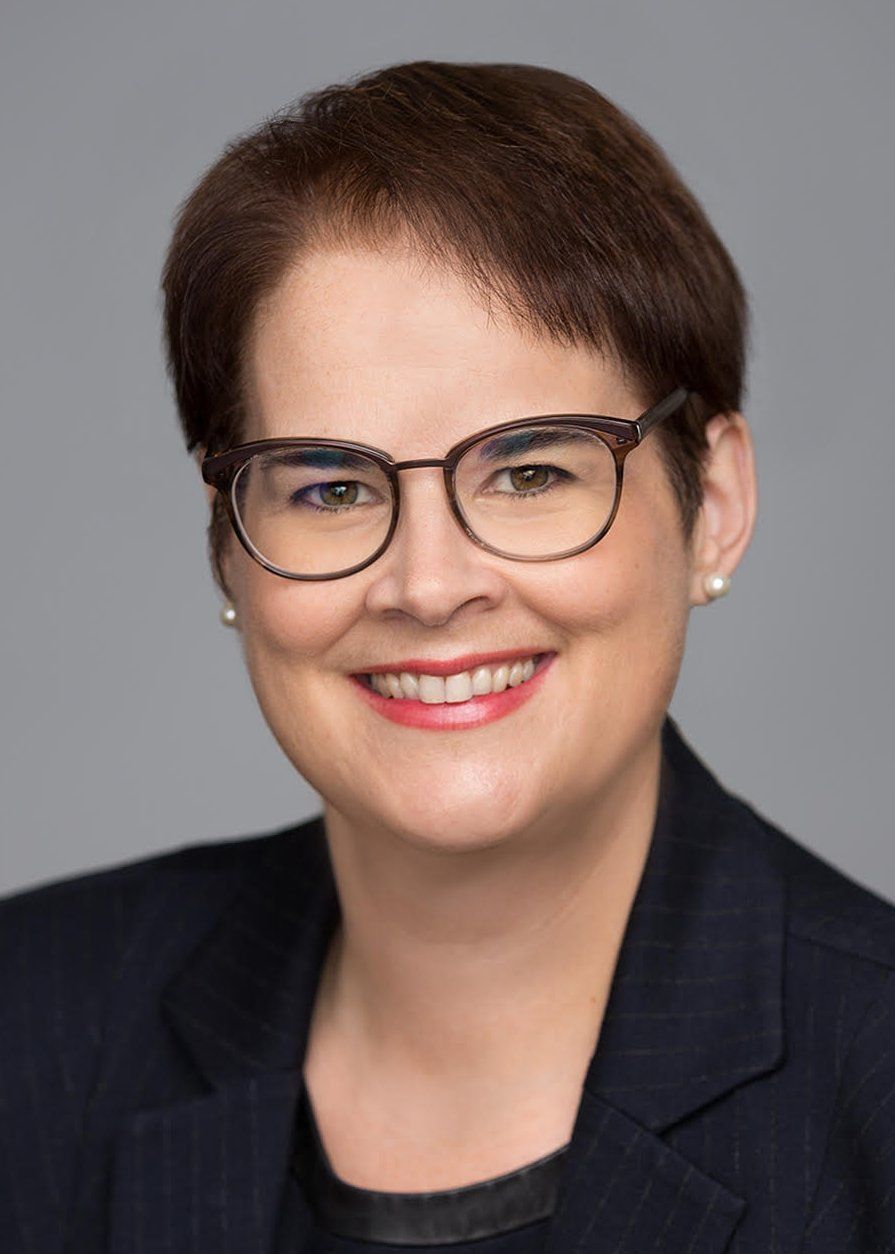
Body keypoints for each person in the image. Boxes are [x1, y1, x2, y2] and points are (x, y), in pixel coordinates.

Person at [3, 58, 895, 1254]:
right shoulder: (31, 1028)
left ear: (715, 506)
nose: (427, 587)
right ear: (229, 550)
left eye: (530, 473)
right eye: (329, 488)